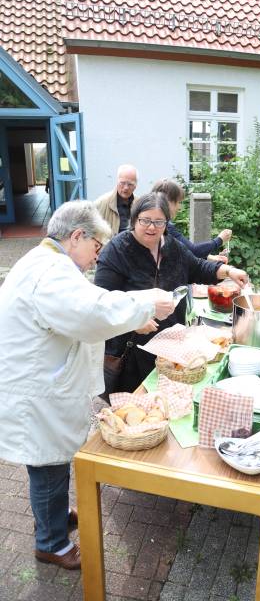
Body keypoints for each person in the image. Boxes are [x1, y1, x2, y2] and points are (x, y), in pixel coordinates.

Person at [0, 200, 174, 571]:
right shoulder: (51, 272)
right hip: (38, 392)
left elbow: (86, 308)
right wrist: (145, 303)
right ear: (77, 235)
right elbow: (90, 312)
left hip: (42, 385)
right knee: (47, 463)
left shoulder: (48, 263)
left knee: (53, 460)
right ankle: (51, 543)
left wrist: (132, 314)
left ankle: (55, 516)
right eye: (96, 247)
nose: (97, 257)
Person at [95, 192, 248, 394]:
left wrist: (229, 271)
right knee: (138, 400)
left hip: (170, 348)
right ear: (134, 220)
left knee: (167, 398)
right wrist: (134, 320)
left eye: (159, 222)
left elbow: (198, 267)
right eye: (145, 220)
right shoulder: (116, 251)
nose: (152, 227)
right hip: (131, 349)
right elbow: (102, 302)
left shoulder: (172, 247)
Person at [151, 178, 232, 259]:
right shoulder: (165, 226)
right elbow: (194, 251)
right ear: (167, 201)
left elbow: (183, 251)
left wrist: (212, 258)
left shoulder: (156, 222)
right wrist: (220, 240)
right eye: (178, 202)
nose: (179, 207)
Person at [94, 164, 138, 234]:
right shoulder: (101, 204)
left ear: (135, 186)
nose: (126, 187)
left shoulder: (139, 204)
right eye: (122, 183)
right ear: (117, 182)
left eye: (130, 184)